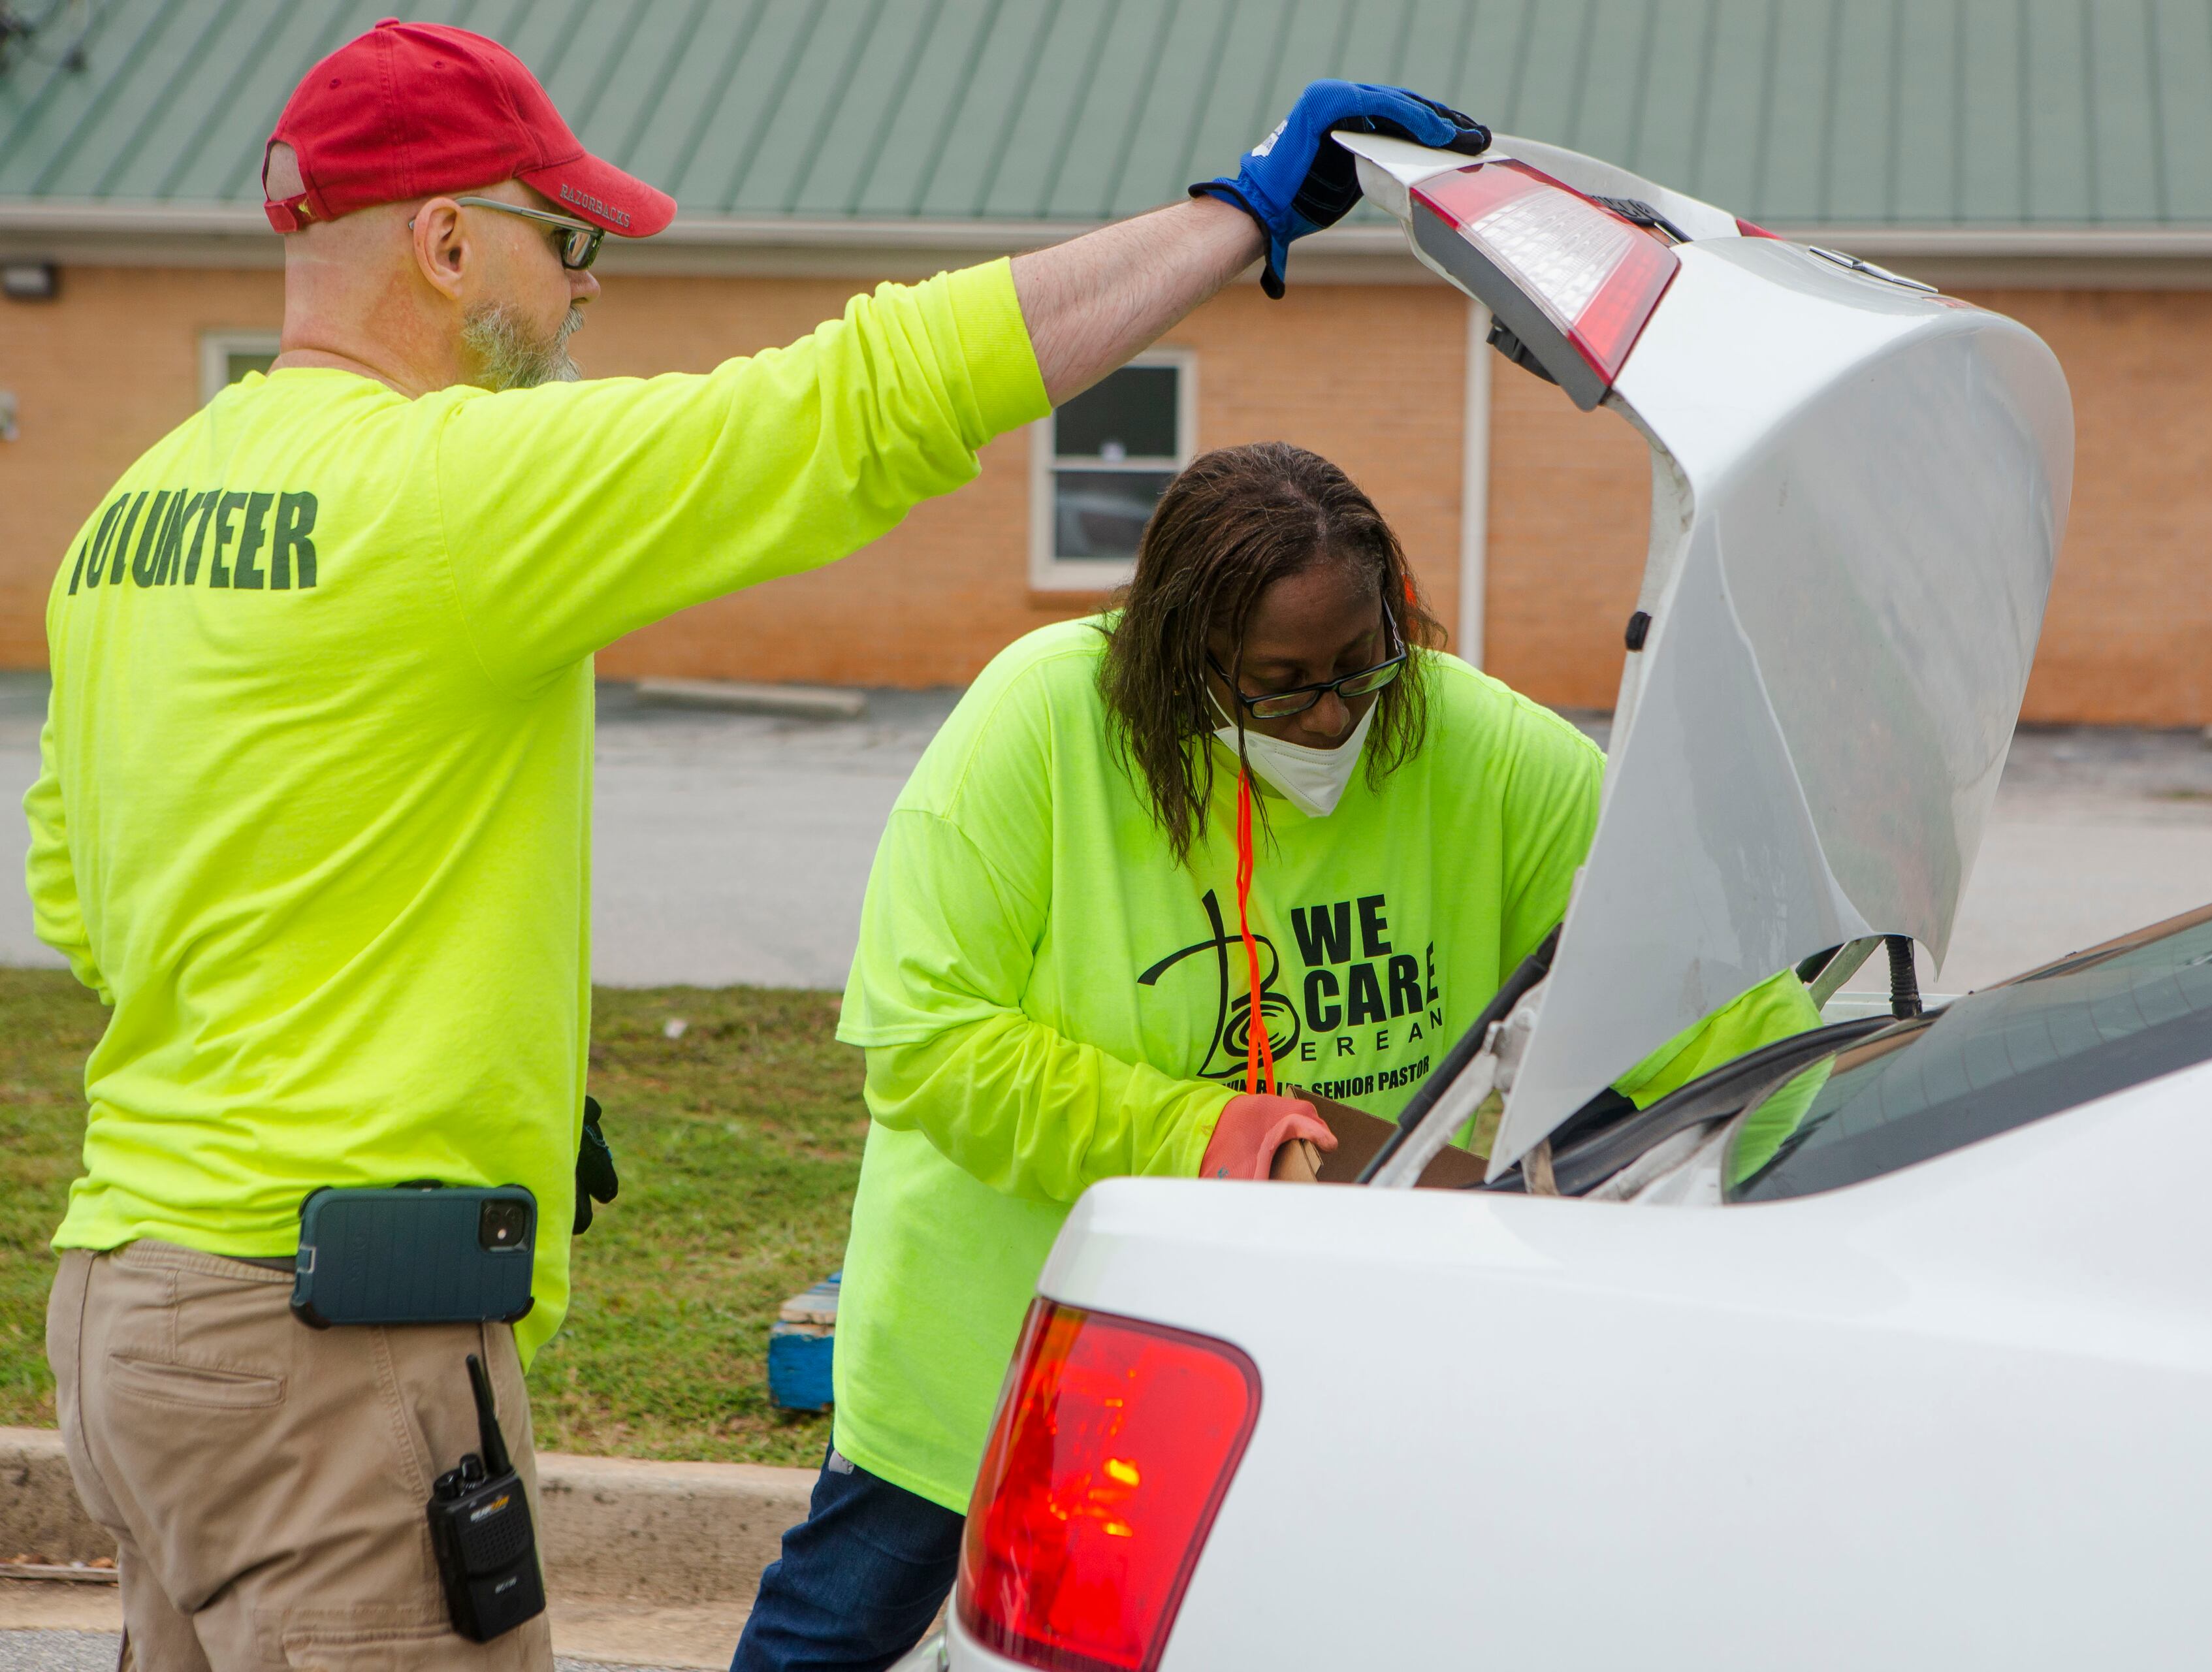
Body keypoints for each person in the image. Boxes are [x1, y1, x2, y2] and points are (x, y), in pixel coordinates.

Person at [25, 14, 1490, 1665]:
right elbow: (858, 405)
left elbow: (86, 896)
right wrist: (1238, 214)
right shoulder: (446, 490)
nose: (587, 288)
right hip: (332, 1344)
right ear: (445, 243)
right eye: (564, 244)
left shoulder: (123, 526)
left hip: (131, 1311)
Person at [732, 443, 1822, 1667]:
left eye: (1364, 668)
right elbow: (924, 1042)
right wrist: (1195, 1130)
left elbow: (1723, 1000)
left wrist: (1770, 1177)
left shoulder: (1486, 756)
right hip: (1005, 1345)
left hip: (1311, 1364)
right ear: (1177, 660)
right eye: (1278, 685)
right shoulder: (1038, 725)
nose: (1332, 716)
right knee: (835, 1632)